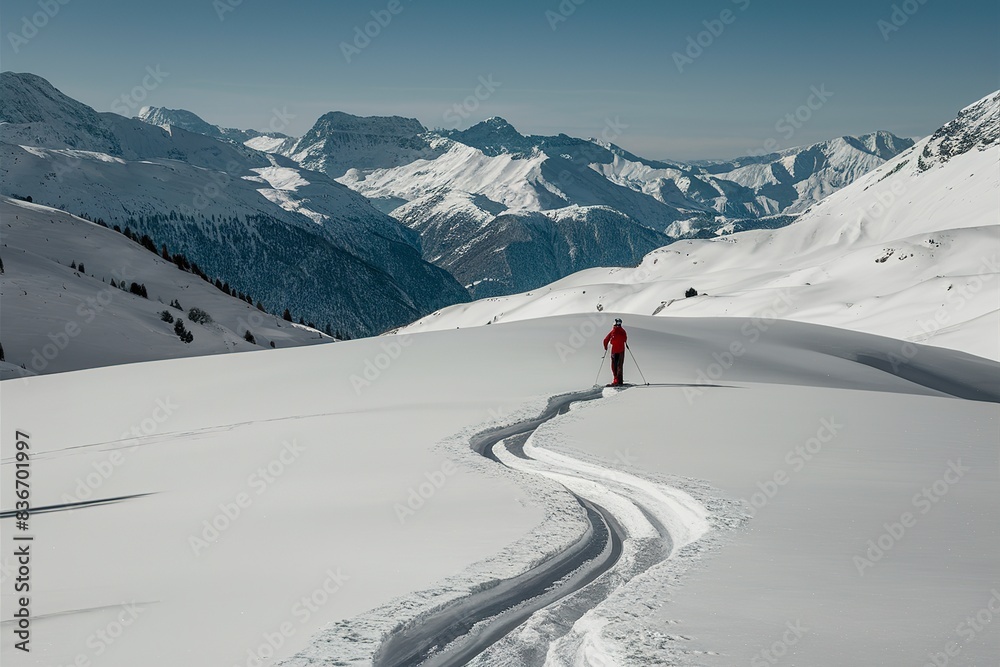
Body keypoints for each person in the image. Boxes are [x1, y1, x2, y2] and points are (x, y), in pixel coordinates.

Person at [602, 318, 627, 386]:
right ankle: (620, 381)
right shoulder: (623, 331)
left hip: (614, 351)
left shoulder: (613, 331)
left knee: (614, 366)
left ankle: (616, 379)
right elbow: (625, 339)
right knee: (620, 366)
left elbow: (605, 340)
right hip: (621, 351)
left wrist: (605, 347)